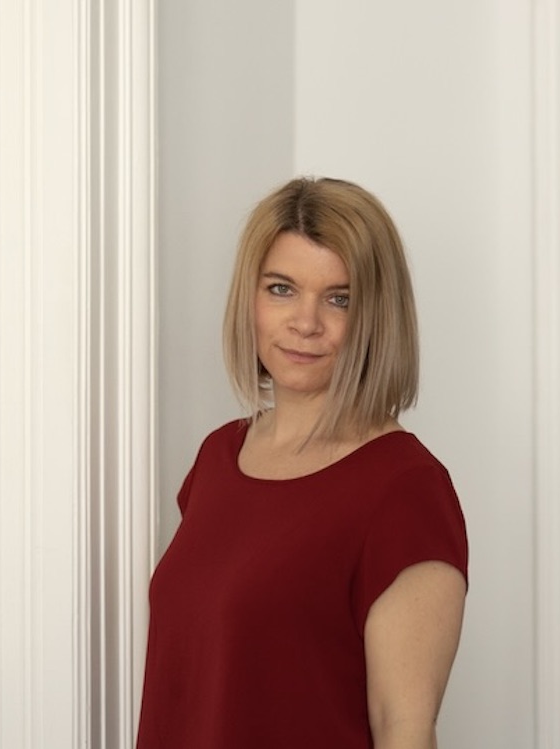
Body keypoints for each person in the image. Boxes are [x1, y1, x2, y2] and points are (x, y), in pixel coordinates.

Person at [136, 176, 469, 748]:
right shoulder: (219, 457)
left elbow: (404, 727)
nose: (306, 322)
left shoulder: (406, 488)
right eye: (281, 289)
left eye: (340, 299)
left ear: (377, 317)